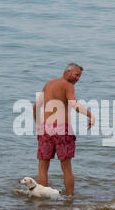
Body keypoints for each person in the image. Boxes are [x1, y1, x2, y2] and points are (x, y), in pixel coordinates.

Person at [33, 63, 95, 195]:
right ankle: (70, 198)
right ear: (67, 72)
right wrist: (91, 115)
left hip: (45, 128)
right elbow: (74, 105)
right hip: (62, 129)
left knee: (43, 167)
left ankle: (43, 199)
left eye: (80, 76)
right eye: (77, 75)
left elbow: (35, 107)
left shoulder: (48, 84)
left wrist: (38, 126)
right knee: (66, 167)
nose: (78, 79)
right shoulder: (68, 85)